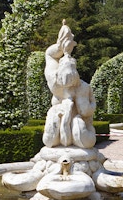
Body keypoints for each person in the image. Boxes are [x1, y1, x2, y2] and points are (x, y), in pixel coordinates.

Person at [42, 20, 97, 148]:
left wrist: (61, 45)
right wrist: (92, 100)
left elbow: (49, 54)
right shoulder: (82, 87)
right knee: (78, 124)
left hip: (57, 135)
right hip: (80, 137)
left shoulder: (54, 83)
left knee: (51, 137)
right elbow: (85, 111)